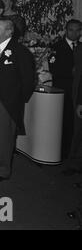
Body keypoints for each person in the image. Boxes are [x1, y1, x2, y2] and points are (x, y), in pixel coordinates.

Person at [0, 18, 35, 181]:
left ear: (9, 31)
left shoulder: (20, 51)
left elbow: (28, 80)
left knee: (5, 135)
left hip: (7, 101)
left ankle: (2, 171)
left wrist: (17, 99)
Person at [49, 19, 82, 159]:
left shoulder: (81, 47)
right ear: (66, 30)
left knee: (76, 123)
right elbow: (53, 68)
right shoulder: (57, 47)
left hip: (79, 90)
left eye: (77, 30)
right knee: (64, 122)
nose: (74, 33)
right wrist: (72, 72)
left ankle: (74, 153)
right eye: (71, 30)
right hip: (63, 89)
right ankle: (62, 154)